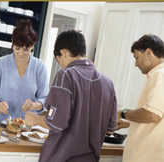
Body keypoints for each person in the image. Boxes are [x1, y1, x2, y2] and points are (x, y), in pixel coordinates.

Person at [24, 30, 117, 162]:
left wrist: (34, 119)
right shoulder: (108, 83)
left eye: (58, 60)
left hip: (61, 157)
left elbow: (57, 123)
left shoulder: (65, 75)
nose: (61, 65)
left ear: (64, 52)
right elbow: (110, 129)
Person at [0, 19, 49, 124]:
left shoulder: (39, 67)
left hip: (27, 127)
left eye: (26, 49)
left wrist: (34, 105)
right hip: (1, 125)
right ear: (12, 44)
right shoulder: (1, 64)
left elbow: (45, 98)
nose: (21, 53)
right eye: (17, 48)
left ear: (33, 46)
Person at [117, 34, 164, 162]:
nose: (136, 64)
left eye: (137, 58)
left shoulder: (160, 75)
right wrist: (130, 123)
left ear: (149, 53)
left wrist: (123, 113)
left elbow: (152, 115)